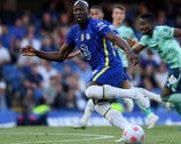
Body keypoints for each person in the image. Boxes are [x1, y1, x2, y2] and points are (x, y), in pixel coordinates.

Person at [20, 0, 150, 134]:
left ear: (87, 12)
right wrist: (37, 53)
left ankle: (133, 93)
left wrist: (130, 52)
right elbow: (61, 55)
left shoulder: (97, 25)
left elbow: (116, 38)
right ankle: (128, 129)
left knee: (89, 90)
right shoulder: (74, 32)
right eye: (75, 10)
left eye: (81, 9)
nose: (78, 12)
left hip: (110, 64)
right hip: (100, 69)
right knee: (100, 106)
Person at [70, 4, 160, 130]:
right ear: (112, 15)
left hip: (116, 64)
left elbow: (129, 43)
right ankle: (150, 112)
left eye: (121, 14)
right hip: (106, 66)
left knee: (100, 94)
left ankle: (153, 108)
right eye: (116, 13)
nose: (118, 16)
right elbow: (87, 46)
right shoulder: (94, 28)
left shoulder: (117, 29)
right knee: (99, 95)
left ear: (102, 15)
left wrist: (129, 53)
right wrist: (72, 54)